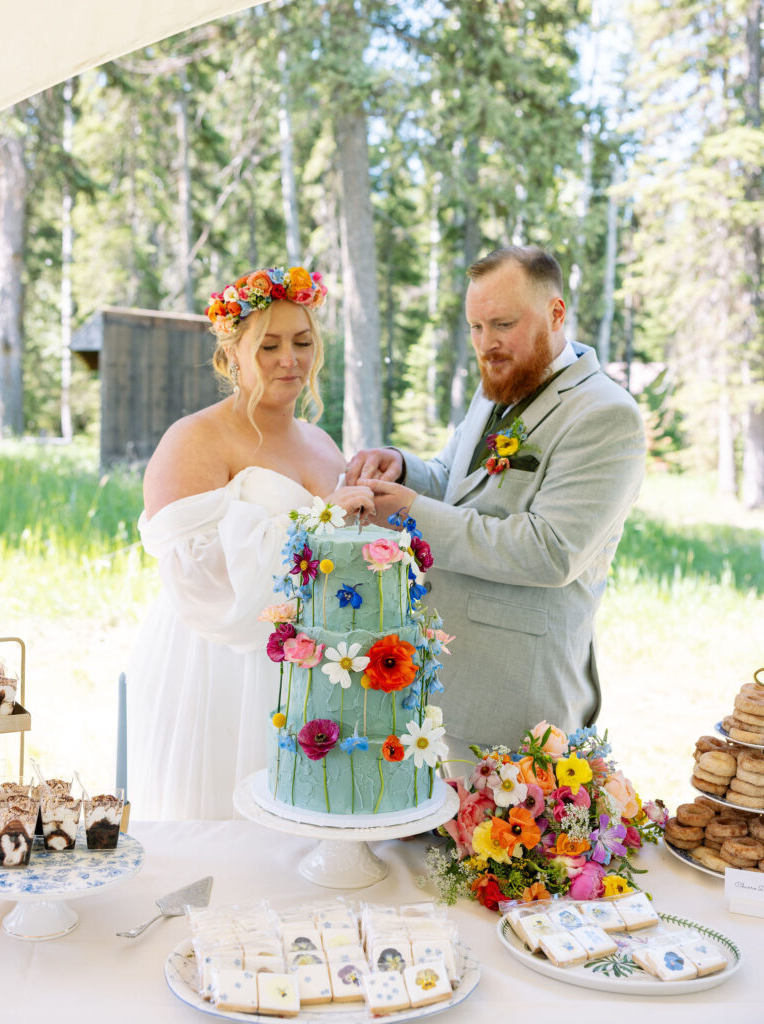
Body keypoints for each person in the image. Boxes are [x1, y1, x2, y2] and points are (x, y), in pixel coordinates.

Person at [346, 245, 646, 765]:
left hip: (518, 698)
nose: (486, 345)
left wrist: (409, 511)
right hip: (439, 681)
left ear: (556, 314)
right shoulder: (498, 385)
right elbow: (453, 481)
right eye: (475, 327)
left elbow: (551, 550)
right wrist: (401, 466)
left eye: (502, 324)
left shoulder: (607, 414)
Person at [126, 266, 374, 820]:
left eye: (303, 342)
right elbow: (196, 571)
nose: (290, 359)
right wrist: (322, 522)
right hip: (220, 661)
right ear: (231, 354)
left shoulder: (321, 442)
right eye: (270, 345)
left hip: (313, 661)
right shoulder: (196, 437)